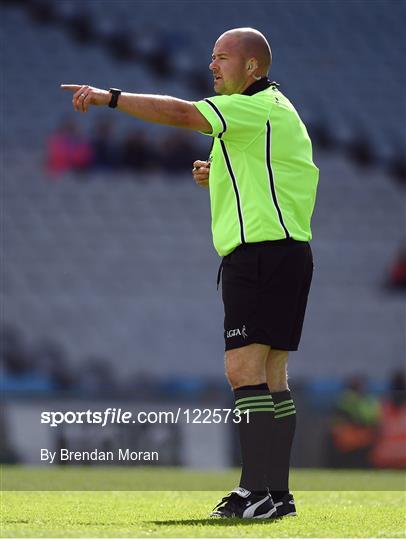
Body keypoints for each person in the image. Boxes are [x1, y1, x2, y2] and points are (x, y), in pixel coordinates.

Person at [61, 27, 319, 519]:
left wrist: (109, 98)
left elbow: (182, 112)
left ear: (253, 68)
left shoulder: (251, 108)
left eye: (222, 58)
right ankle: (278, 495)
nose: (212, 66)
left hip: (261, 256)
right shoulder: (276, 110)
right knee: (273, 374)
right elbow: (275, 175)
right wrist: (216, 174)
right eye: (211, 57)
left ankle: (254, 491)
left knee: (242, 371)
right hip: (288, 253)